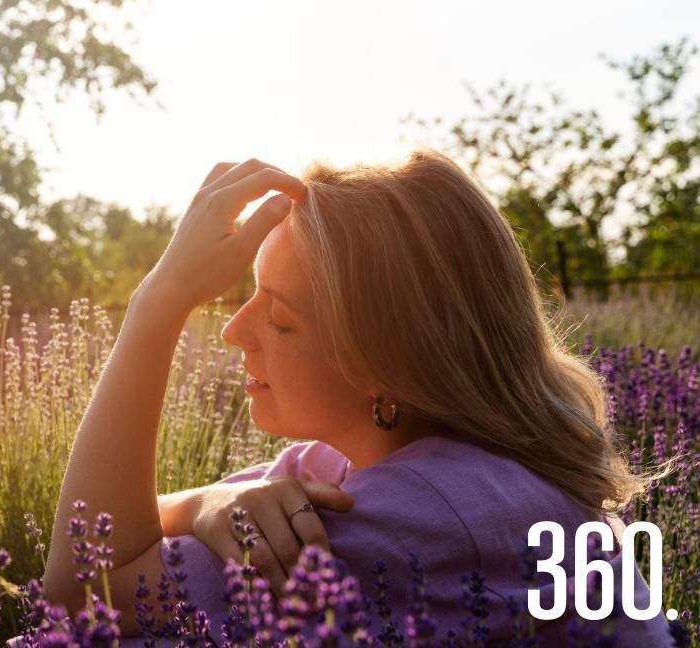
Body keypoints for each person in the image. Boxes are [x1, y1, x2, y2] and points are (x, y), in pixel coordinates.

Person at [40, 151, 676, 645]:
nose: (235, 331)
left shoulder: (429, 513)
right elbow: (121, 529)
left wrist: (156, 306)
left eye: (281, 318)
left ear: (387, 361)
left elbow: (79, 593)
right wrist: (212, 499)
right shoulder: (354, 465)